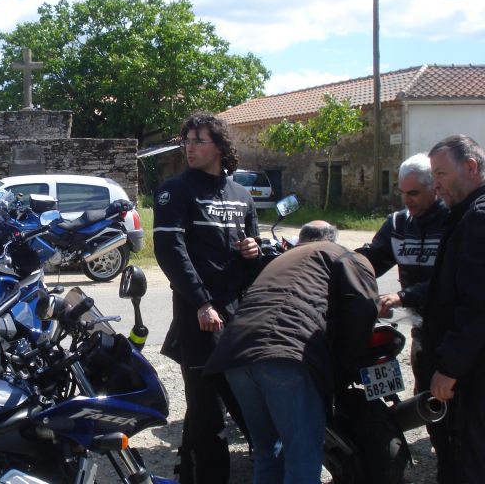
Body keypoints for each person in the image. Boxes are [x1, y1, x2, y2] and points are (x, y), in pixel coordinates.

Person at [206, 221, 379, 483]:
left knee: (268, 453)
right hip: (284, 357)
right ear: (333, 239)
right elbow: (363, 308)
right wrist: (343, 364)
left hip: (235, 354)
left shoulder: (281, 259)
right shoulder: (343, 255)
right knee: (303, 458)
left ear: (301, 239)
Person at [153, 111, 261, 484]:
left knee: (247, 399)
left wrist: (253, 251)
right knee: (207, 409)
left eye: (199, 140)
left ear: (219, 147)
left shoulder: (241, 195)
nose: (190, 147)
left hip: (237, 309)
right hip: (198, 311)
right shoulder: (176, 190)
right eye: (187, 140)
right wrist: (201, 302)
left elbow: (253, 251)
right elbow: (170, 252)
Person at [355, 152, 453, 480]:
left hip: (456, 326)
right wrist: (341, 267)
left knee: (462, 404)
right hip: (422, 328)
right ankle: (445, 462)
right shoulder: (398, 223)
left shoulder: (454, 222)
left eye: (414, 193)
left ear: (434, 189)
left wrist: (401, 296)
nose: (406, 200)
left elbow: (447, 280)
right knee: (427, 398)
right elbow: (372, 259)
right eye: (402, 193)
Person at [424, 134, 485, 483]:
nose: (436, 185)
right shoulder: (465, 216)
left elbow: (478, 304)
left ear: (471, 168)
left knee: (471, 464)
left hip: (475, 374)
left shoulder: (479, 218)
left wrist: (449, 367)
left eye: (441, 174)